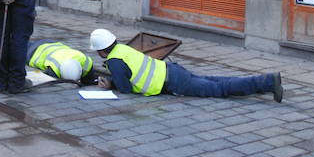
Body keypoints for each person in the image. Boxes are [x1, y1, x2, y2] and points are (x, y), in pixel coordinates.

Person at [89, 29, 284, 102]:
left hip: (174, 83)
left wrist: (111, 85)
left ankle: (266, 82)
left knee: (219, 89)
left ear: (100, 51)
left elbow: (126, 89)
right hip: (173, 71)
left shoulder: (114, 62)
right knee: (216, 80)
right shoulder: (122, 49)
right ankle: (265, 82)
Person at [0, 30, 97, 85]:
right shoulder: (54, 70)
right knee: (10, 51)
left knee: (15, 44)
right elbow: (44, 79)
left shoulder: (84, 60)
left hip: (50, 44)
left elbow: (90, 75)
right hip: (33, 53)